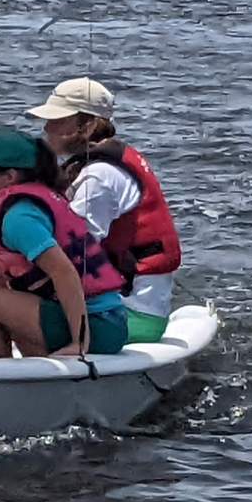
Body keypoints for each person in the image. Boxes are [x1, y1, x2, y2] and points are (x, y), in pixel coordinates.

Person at [26, 78, 182, 343]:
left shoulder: (98, 176)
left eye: (58, 120)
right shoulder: (98, 165)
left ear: (86, 126)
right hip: (133, 308)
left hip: (129, 316)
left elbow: (73, 252)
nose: (46, 128)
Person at [0, 129, 129, 358]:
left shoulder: (18, 218)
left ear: (9, 177)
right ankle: (31, 368)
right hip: (106, 319)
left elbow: (63, 272)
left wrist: (80, 342)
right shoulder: (38, 199)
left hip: (100, 326)